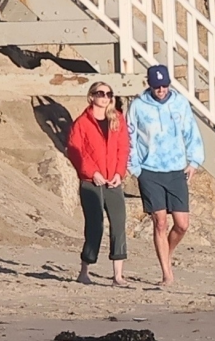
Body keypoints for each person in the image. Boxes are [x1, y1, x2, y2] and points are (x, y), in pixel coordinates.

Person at [126, 64, 205, 286]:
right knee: (159, 222)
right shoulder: (138, 106)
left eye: (164, 85)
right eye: (156, 86)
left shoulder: (180, 103)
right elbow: (129, 136)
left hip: (176, 169)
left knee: (182, 224)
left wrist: (195, 160)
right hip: (149, 170)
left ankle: (166, 254)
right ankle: (166, 273)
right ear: (149, 84)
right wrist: (134, 168)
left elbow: (191, 131)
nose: (161, 89)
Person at [66, 81, 131, 286]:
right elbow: (75, 151)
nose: (104, 97)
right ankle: (84, 269)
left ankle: (118, 274)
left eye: (108, 94)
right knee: (95, 226)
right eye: (100, 93)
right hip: (90, 181)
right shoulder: (82, 123)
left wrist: (119, 174)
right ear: (91, 96)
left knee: (118, 223)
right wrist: (91, 172)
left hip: (113, 181)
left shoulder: (117, 120)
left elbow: (123, 149)